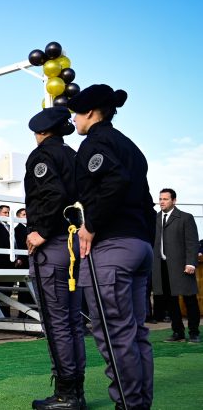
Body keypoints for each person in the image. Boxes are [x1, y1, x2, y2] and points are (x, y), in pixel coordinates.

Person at [70, 84, 155, 410]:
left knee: (114, 335)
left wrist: (90, 227)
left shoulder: (96, 142)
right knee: (136, 334)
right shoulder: (128, 145)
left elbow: (114, 182)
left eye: (77, 112)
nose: (74, 119)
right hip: (139, 246)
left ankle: (128, 406)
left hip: (112, 249)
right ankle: (139, 404)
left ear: (91, 112)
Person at [24, 106, 86, 410]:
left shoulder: (42, 156)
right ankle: (77, 390)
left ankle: (67, 394)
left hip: (54, 245)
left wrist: (41, 231)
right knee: (73, 322)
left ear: (40, 132)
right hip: (73, 244)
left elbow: (52, 194)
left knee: (57, 322)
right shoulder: (72, 154)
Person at [152, 188, 200, 343]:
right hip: (162, 266)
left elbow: (192, 243)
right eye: (160, 199)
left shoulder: (186, 218)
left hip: (182, 266)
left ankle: (194, 332)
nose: (162, 202)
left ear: (174, 200)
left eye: (165, 199)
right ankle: (178, 332)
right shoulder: (156, 218)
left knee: (189, 299)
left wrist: (191, 263)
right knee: (170, 301)